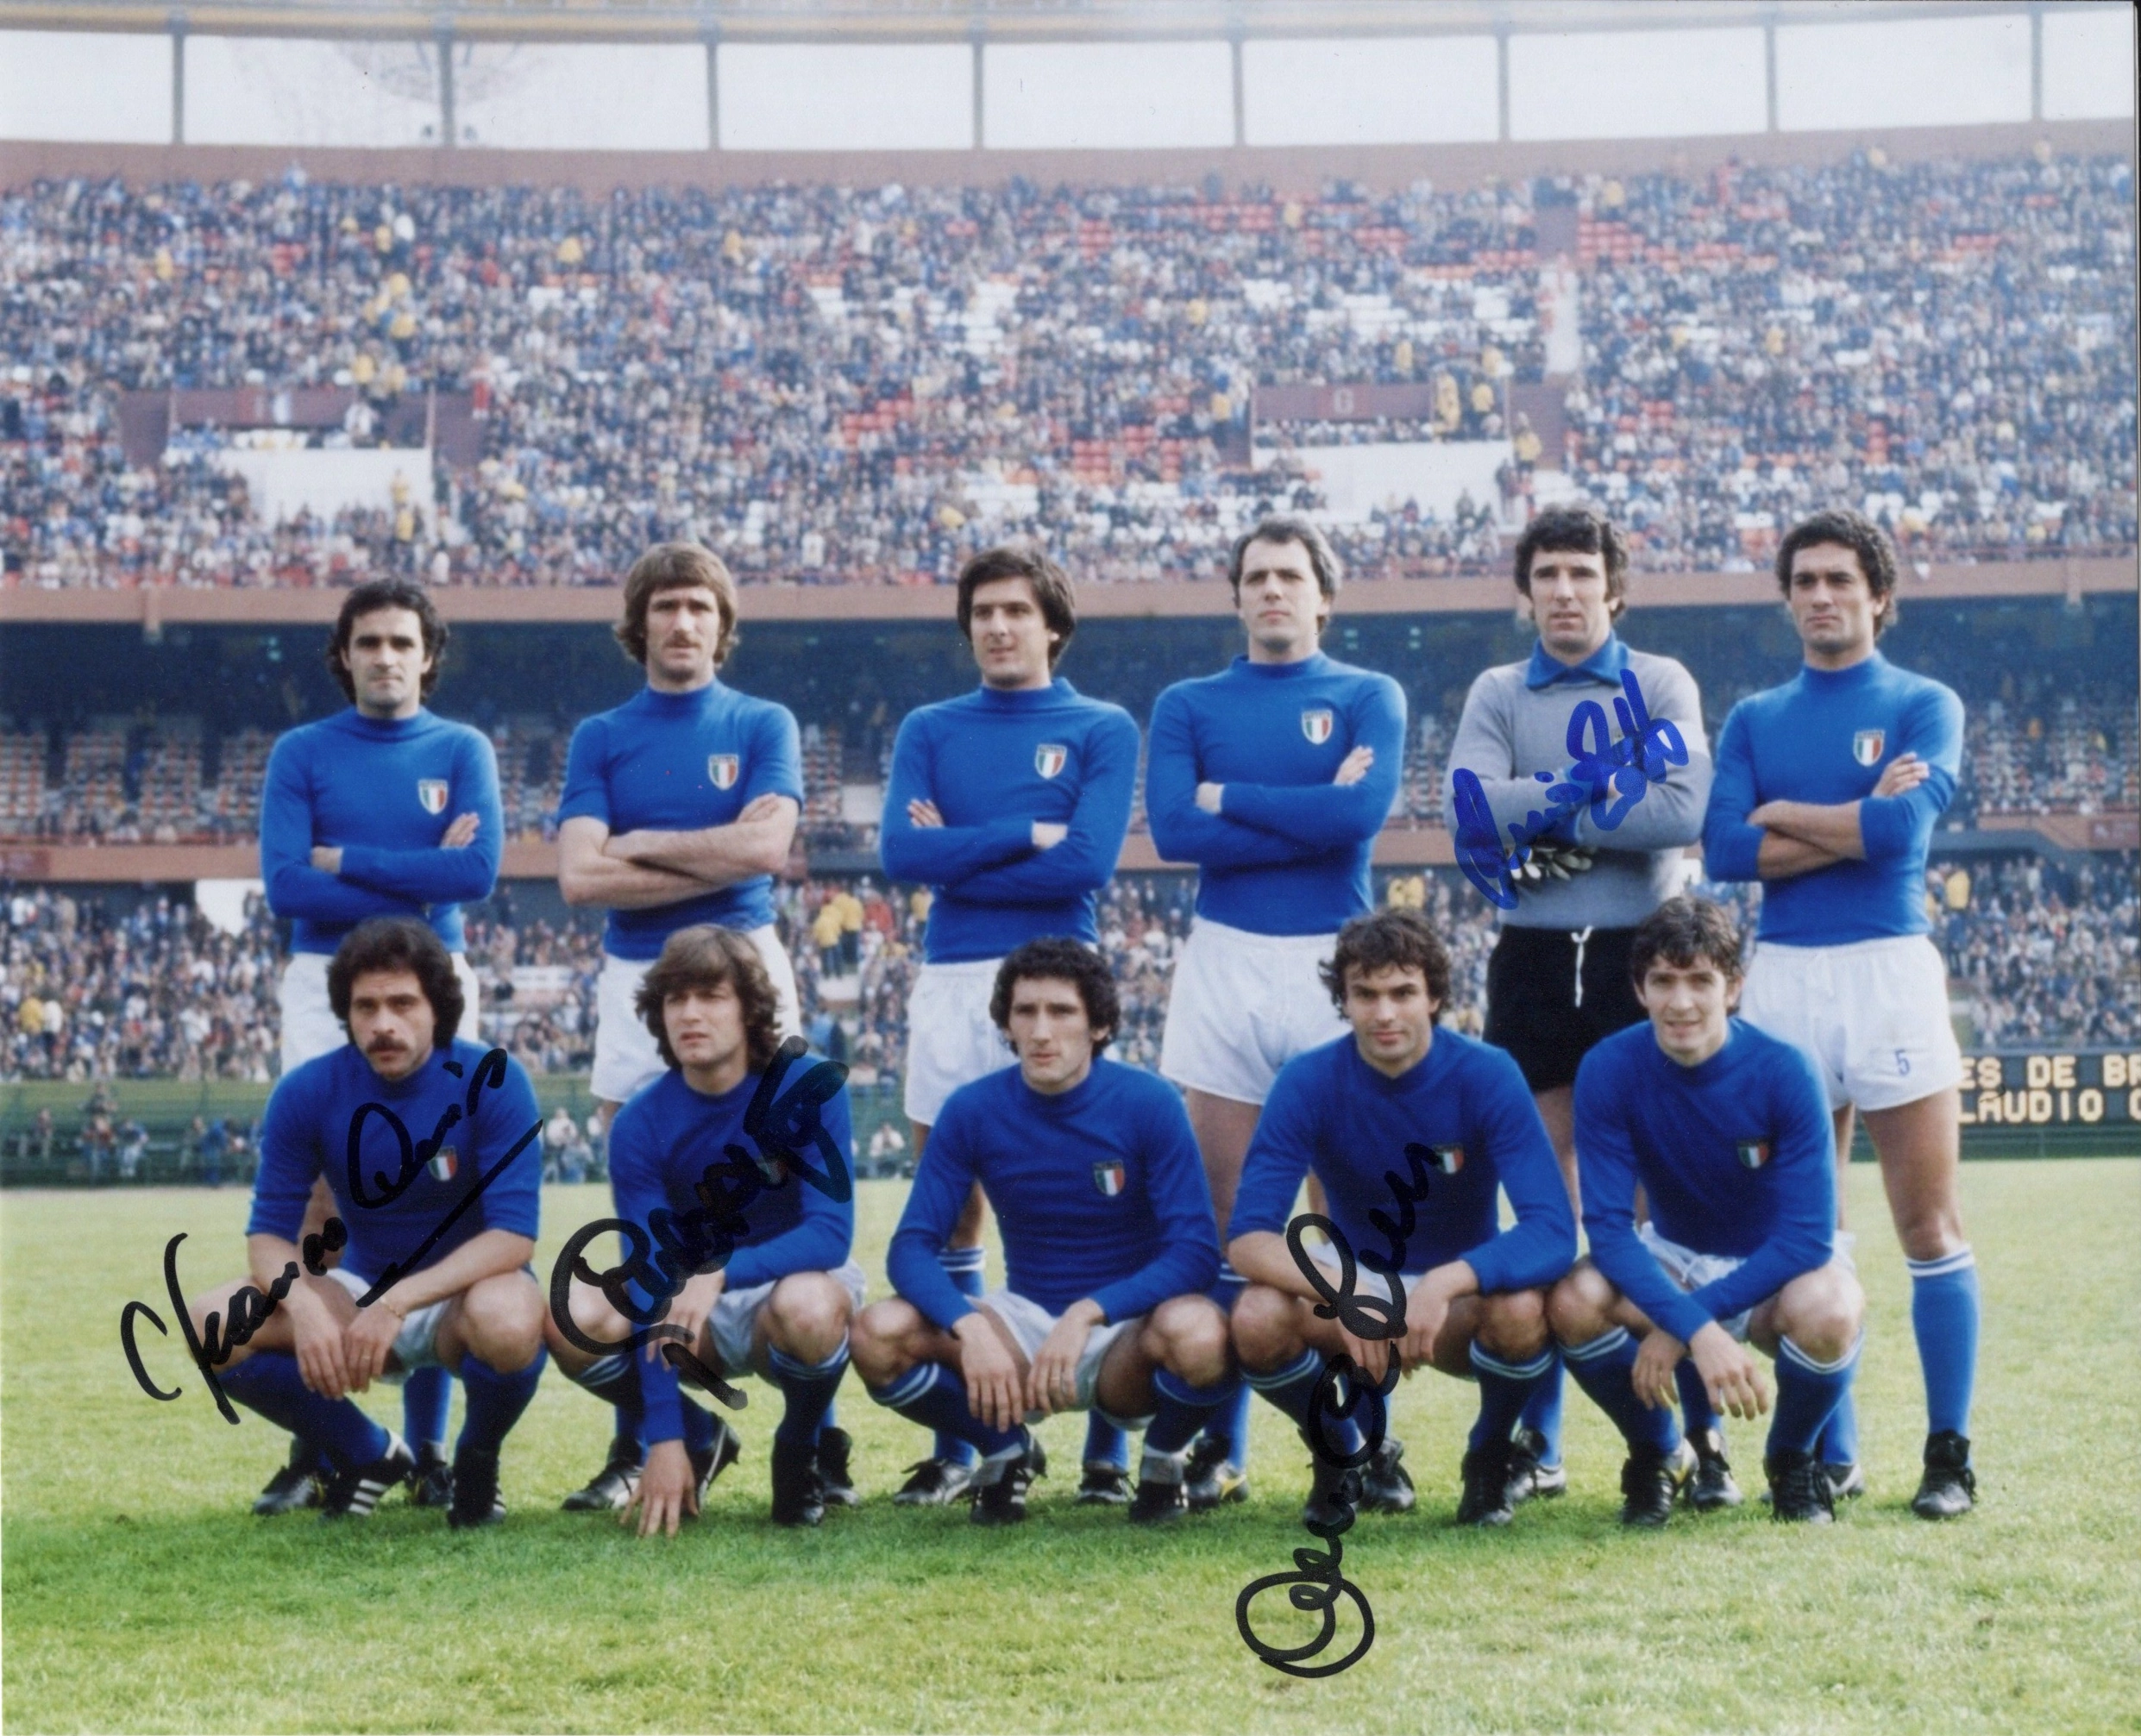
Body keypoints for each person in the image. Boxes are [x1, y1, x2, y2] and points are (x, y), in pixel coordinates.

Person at [1441, 504, 1719, 1510]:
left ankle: (1691, 1436)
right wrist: (1605, 796)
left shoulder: (1660, 683)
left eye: (1580, 572)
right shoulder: (1496, 689)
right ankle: (1540, 1443)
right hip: (1528, 958)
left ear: (1614, 587)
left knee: (1644, 1209)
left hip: (1634, 958)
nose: (1564, 589)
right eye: (1547, 573)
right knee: (1545, 1209)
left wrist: (1540, 802)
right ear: (1526, 589)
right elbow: (1472, 816)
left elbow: (1683, 812)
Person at [1701, 509, 1976, 1519]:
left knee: (1928, 1225)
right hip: (1782, 981)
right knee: (1807, 1232)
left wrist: (1777, 812)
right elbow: (1723, 852)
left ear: (1878, 598)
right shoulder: (1754, 718)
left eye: (1840, 581)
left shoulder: (1923, 701)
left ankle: (1948, 1456)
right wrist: (1846, 823)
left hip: (1890, 971)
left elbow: (1903, 833)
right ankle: (1834, 1450)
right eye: (1804, 581)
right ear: (1787, 599)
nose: (1821, 595)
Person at [1146, 516, 1406, 1510]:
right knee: (1234, 1229)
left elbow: (1355, 823)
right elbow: (1174, 830)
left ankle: (1365, 1446)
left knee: (1344, 1230)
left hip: (1330, 968)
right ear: (1236, 595)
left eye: (1289, 576)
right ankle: (1222, 1447)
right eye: (1255, 577)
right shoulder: (1187, 703)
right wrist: (1296, 801)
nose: (1271, 591)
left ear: (1322, 596)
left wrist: (1230, 799)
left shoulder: (1365, 694)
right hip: (1222, 965)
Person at [555, 542, 816, 1514]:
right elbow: (581, 877)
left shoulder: (760, 720)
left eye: (700, 606)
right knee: (642, 1211)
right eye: (666, 605)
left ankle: (813, 1433)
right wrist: (716, 852)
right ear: (640, 622)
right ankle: (657, 1438)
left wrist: (647, 841)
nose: (682, 622)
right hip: (635, 973)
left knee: (780, 1183)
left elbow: (767, 849)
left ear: (722, 621)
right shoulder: (602, 735)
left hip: (749, 962)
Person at [877, 546, 1138, 1506]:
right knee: (949, 1207)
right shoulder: (931, 726)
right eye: (982, 612)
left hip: (1063, 974)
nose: (996, 627)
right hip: (951, 977)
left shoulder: (1099, 727)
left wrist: (962, 850)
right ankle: (977, 1437)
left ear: (1052, 627)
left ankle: (1108, 1451)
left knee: (1097, 1195)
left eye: (1016, 612)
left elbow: (1087, 864)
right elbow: (901, 852)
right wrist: (1021, 832)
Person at [254, 577, 501, 1516]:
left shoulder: (460, 747)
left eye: (403, 642)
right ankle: (326, 1442)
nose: (386, 657)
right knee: (322, 1204)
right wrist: (415, 877)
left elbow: (474, 873)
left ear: (427, 654)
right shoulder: (301, 752)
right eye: (369, 643)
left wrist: (345, 860)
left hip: (436, 983)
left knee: (439, 1190)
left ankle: (433, 1449)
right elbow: (285, 887)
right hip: (321, 984)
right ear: (344, 654)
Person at [852, 938, 1232, 1526]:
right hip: (1021, 1323)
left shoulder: (1149, 1102)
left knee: (1202, 1332)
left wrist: (1089, 1311)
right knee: (878, 1332)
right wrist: (970, 1325)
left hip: (1125, 1333)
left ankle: (1162, 1462)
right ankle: (1005, 1449)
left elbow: (1196, 1251)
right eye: (1025, 1011)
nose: (1041, 1030)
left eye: (1061, 1012)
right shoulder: (972, 1109)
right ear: (1006, 1021)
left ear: (1099, 1023)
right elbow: (910, 1247)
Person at [184, 918, 546, 1528]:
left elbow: (513, 1235)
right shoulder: (307, 1090)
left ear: (438, 1008)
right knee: (211, 1321)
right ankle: (369, 1453)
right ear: (345, 1013)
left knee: (510, 1320)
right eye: (366, 1006)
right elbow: (267, 1234)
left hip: (463, 1297)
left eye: (403, 1003)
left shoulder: (494, 1078)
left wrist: (400, 1300)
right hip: (359, 1288)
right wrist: (303, 1307)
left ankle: (476, 1459)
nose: (384, 1023)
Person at [1227, 908, 1575, 1528]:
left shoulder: (1487, 1072)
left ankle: (1490, 1455)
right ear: (1344, 1000)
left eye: (1402, 992)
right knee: (1256, 1315)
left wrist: (1446, 1280)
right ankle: (1347, 1450)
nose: (1384, 1013)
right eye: (1365, 994)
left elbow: (1551, 1228)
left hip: (1458, 1300)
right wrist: (1349, 1287)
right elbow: (1249, 1238)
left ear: (1434, 995)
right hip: (1355, 1286)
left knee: (1523, 1308)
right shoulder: (1307, 1079)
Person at [1550, 896, 1866, 1525]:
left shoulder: (1786, 1069)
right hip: (1673, 1255)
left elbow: (1807, 1238)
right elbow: (1610, 1231)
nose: (1682, 1001)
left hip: (1776, 1266)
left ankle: (1793, 1459)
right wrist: (1698, 1328)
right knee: (1574, 1298)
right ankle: (1660, 1451)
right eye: (1663, 980)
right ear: (1640, 989)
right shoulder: (1610, 1066)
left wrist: (1687, 1323)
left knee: (1832, 1308)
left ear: (1734, 985)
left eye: (1700, 980)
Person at [544, 926, 862, 1531]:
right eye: (675, 998)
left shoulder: (806, 1086)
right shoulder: (639, 1123)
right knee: (574, 1318)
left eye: (711, 995)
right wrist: (662, 1436)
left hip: (789, 1286)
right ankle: (701, 1435)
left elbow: (830, 1234)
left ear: (750, 1009)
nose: (690, 1013)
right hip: (690, 1303)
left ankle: (800, 1447)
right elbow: (649, 1277)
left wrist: (721, 1271)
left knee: (810, 1307)